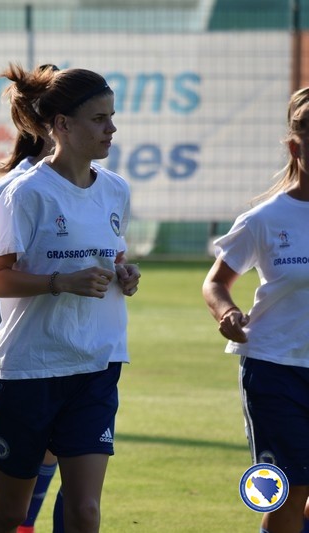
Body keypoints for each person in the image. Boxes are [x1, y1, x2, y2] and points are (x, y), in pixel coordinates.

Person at [0, 64, 140, 533]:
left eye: (112, 116)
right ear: (62, 124)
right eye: (99, 118)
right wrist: (60, 282)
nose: (111, 128)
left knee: (85, 510)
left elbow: (113, 255)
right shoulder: (25, 193)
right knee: (11, 511)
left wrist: (125, 274)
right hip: (31, 369)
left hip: (97, 365)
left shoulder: (116, 189)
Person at [202, 86, 309, 533]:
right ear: (295, 148)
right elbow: (216, 283)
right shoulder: (264, 220)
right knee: (289, 492)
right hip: (276, 368)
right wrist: (227, 313)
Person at [0, 82, 60, 531]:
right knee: (10, 468)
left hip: (69, 341)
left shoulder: (95, 184)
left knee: (51, 454)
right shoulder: (7, 190)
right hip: (9, 339)